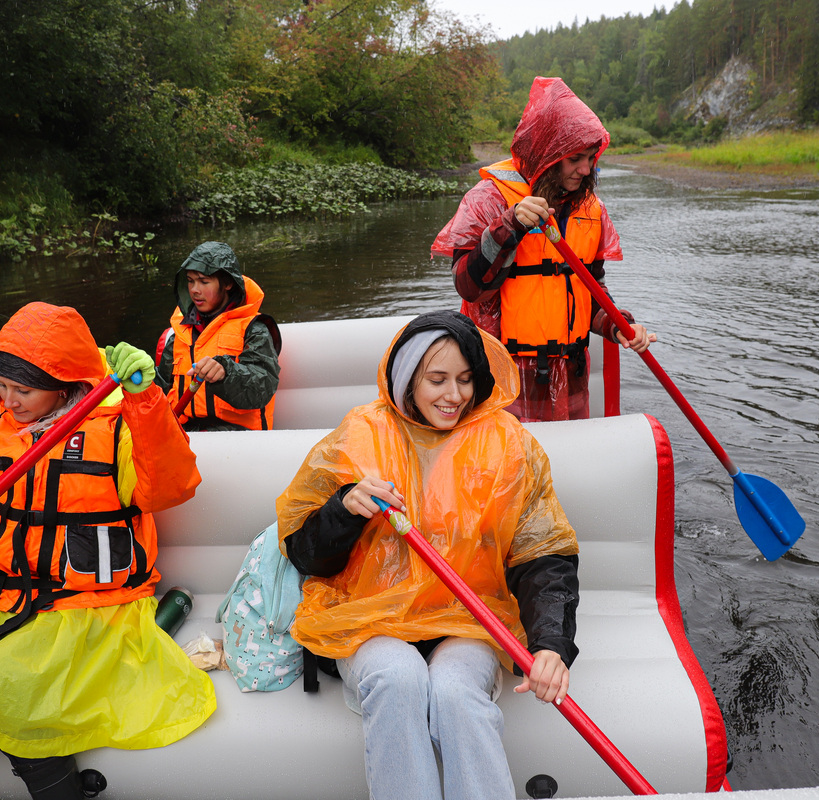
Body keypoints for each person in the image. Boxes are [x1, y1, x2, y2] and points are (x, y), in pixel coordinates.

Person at [0, 302, 216, 800]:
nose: (10, 400)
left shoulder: (118, 428)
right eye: (2, 387)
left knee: (19, 691)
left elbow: (170, 487)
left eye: (22, 390)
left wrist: (147, 399)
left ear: (63, 380)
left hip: (92, 610)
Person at [276, 310, 580, 800]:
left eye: (465, 379)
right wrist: (344, 510)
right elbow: (307, 556)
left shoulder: (510, 445)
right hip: (368, 621)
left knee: (456, 691)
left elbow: (542, 557)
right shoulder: (359, 433)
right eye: (437, 380)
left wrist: (551, 644)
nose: (454, 395)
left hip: (467, 619)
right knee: (398, 678)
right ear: (407, 382)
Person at [432, 76, 656, 422]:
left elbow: (591, 291)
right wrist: (510, 227)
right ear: (547, 157)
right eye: (574, 159)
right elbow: (468, 286)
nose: (585, 170)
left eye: (591, 158)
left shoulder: (590, 209)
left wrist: (619, 326)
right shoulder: (488, 200)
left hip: (572, 375)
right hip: (504, 378)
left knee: (568, 470)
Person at [154, 241, 280, 431]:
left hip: (239, 437)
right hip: (186, 434)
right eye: (190, 281)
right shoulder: (179, 335)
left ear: (228, 283)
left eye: (204, 281)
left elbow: (262, 389)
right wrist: (140, 377)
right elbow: (160, 390)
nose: (195, 290)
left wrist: (226, 373)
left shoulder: (254, 329)